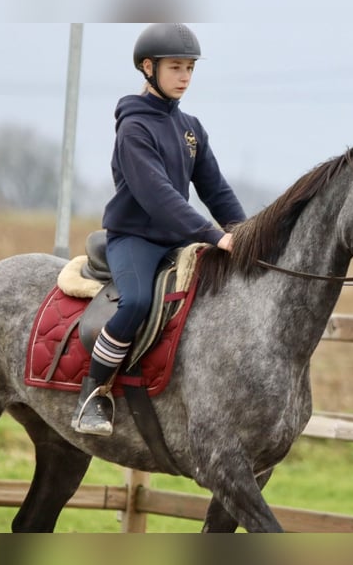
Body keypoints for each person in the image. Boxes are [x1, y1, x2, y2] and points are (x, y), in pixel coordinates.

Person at [71, 23, 247, 436]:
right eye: (176, 68)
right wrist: (214, 235)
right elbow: (158, 195)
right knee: (133, 303)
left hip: (178, 240)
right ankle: (92, 394)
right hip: (135, 239)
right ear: (148, 68)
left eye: (190, 68)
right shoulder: (133, 128)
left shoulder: (191, 128)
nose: (185, 77)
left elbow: (215, 189)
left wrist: (245, 232)